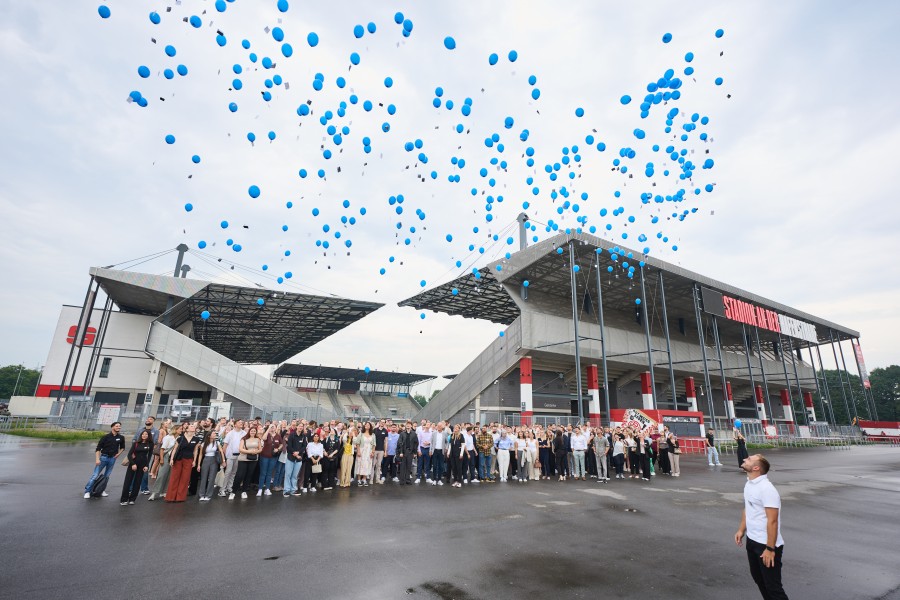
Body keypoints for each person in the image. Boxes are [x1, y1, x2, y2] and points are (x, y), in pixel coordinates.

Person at [734, 454, 789, 600]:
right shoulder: (749, 484)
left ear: (756, 468)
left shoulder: (767, 489)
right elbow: (748, 509)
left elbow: (773, 521)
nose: (745, 459)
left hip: (767, 545)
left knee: (773, 588)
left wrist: (770, 549)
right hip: (752, 541)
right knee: (759, 579)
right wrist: (741, 529)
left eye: (749, 460)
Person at [83, 421, 125, 498]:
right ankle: (87, 491)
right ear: (112, 427)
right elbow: (98, 449)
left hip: (112, 458)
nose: (118, 427)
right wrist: (97, 459)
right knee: (95, 475)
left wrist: (118, 454)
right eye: (117, 426)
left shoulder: (121, 437)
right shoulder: (105, 437)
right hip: (103, 458)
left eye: (119, 426)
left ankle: (101, 490)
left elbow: (122, 447)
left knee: (107, 476)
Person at [166, 422, 199, 503]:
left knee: (185, 478)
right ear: (187, 429)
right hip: (178, 459)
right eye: (191, 426)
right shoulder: (180, 438)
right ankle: (170, 497)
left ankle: (180, 497)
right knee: (174, 477)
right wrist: (172, 459)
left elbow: (196, 450)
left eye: (194, 426)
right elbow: (175, 449)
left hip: (189, 459)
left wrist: (194, 460)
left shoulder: (196, 439)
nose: (193, 427)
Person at [120, 429, 153, 505]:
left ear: (149, 436)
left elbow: (149, 456)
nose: (144, 435)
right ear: (141, 435)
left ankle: (132, 499)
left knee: (137, 482)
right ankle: (124, 499)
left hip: (142, 465)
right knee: (128, 482)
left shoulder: (150, 444)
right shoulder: (136, 443)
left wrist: (147, 466)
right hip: (133, 464)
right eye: (143, 434)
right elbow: (129, 454)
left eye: (146, 434)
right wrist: (133, 464)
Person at [149, 422, 178, 501]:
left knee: (169, 476)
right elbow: (162, 449)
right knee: (161, 475)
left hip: (173, 458)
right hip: (166, 457)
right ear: (176, 430)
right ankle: (154, 493)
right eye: (180, 429)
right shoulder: (168, 437)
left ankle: (164, 491)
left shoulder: (178, 438)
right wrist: (161, 459)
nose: (182, 431)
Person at [132, 416, 159, 495]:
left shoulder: (156, 431)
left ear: (153, 421)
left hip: (146, 454)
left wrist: (149, 449)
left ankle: (144, 488)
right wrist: (134, 449)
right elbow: (134, 439)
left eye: (150, 419)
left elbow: (155, 442)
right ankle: (131, 488)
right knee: (133, 470)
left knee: (144, 470)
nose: (148, 420)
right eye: (147, 419)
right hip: (137, 452)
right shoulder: (140, 429)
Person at [232, 426, 261, 499]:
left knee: (249, 475)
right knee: (239, 475)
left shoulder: (258, 439)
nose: (253, 432)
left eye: (254, 431)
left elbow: (260, 449)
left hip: (253, 459)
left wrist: (256, 451)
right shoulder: (244, 439)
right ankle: (233, 491)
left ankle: (244, 491)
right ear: (249, 431)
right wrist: (250, 451)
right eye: (251, 431)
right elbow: (240, 449)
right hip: (243, 459)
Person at [195, 429, 225, 501]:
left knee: (212, 478)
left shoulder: (217, 443)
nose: (215, 435)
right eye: (214, 434)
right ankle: (202, 494)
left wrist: (223, 460)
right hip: (206, 460)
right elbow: (201, 455)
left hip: (214, 460)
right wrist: (199, 464)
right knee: (204, 478)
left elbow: (221, 452)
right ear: (209, 435)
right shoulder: (203, 444)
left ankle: (208, 495)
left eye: (215, 434)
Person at [221, 419, 246, 497]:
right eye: (239, 422)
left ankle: (229, 487)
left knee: (234, 472)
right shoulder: (230, 433)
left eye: (242, 422)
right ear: (235, 424)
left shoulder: (244, 433)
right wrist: (224, 459)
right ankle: (222, 489)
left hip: (240, 456)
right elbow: (224, 446)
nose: (241, 423)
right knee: (228, 472)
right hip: (230, 455)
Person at [257, 424, 282, 496]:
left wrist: (278, 449)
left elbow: (281, 444)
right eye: (271, 427)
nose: (272, 428)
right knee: (263, 473)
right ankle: (260, 489)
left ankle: (267, 489)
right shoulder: (267, 434)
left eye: (273, 427)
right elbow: (263, 438)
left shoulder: (278, 435)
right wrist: (268, 429)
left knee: (269, 473)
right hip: (264, 456)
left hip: (273, 457)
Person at [283, 424, 304, 497]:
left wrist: (298, 453)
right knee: (288, 475)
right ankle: (286, 490)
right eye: (299, 426)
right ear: (297, 427)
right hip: (290, 458)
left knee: (295, 476)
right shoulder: (292, 435)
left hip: (299, 459)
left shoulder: (303, 436)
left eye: (302, 426)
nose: (300, 427)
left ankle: (293, 490)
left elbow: (304, 446)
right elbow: (289, 446)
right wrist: (295, 453)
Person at [354, 422, 376, 486]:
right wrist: (358, 451)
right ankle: (358, 480)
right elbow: (357, 443)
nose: (367, 425)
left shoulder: (373, 435)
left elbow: (374, 444)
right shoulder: (361, 434)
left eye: (368, 425)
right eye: (366, 425)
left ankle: (364, 479)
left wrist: (372, 452)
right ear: (364, 426)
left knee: (367, 465)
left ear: (370, 426)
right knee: (360, 464)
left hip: (369, 451)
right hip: (361, 451)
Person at [322, 425, 341, 490]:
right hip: (326, 457)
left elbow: (338, 448)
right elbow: (323, 446)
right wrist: (324, 452)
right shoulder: (326, 438)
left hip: (333, 457)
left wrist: (332, 454)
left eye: (333, 431)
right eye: (331, 431)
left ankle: (331, 484)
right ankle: (324, 485)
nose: (332, 432)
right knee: (325, 471)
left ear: (335, 433)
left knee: (332, 471)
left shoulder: (337, 439)